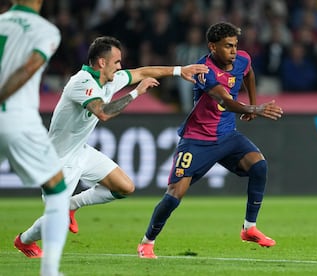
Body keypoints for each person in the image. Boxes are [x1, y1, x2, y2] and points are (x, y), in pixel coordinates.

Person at [15, 36, 209, 253]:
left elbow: (142, 72)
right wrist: (136, 92)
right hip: (57, 161)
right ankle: (24, 240)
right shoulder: (81, 83)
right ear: (101, 63)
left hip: (80, 151)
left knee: (125, 187)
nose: (120, 66)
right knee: (56, 219)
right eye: (117, 62)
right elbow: (103, 112)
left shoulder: (111, 79)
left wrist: (179, 70)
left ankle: (72, 204)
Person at [137, 22, 283, 259]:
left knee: (259, 165)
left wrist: (251, 104)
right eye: (228, 46)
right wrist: (254, 108)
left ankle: (249, 228)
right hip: (197, 140)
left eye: (235, 45)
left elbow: (249, 74)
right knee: (175, 194)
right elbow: (224, 100)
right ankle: (147, 242)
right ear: (212, 47)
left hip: (227, 136)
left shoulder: (243, 59)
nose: (234, 51)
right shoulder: (203, 70)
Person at [0, 1, 69, 275]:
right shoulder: (46, 30)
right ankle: (49, 271)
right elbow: (29, 68)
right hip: (17, 118)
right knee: (57, 191)